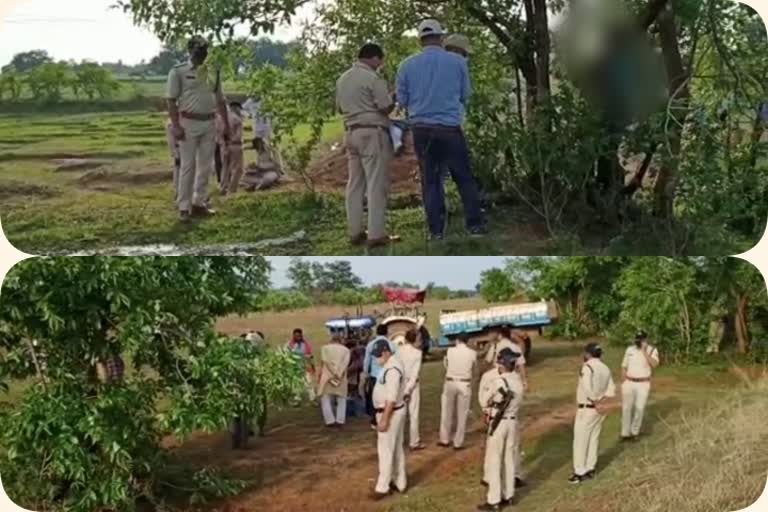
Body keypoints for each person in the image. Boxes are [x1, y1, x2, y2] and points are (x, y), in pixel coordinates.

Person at [396, 19, 486, 240]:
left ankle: (436, 230)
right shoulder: (458, 63)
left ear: (420, 39)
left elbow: (403, 100)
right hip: (449, 129)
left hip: (422, 130)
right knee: (464, 178)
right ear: (440, 37)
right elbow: (465, 95)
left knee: (431, 181)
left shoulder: (406, 65)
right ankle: (474, 226)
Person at [336, 43, 399, 248]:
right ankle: (376, 234)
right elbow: (385, 107)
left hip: (351, 131)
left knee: (355, 183)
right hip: (372, 132)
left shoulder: (343, 79)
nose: (380, 65)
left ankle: (355, 231)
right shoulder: (372, 78)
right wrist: (394, 96)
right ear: (373, 58)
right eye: (380, 61)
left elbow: (339, 108)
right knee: (375, 183)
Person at [166, 36, 229, 221]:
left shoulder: (212, 72)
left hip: (209, 122)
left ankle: (199, 202)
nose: (202, 53)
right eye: (198, 50)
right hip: (188, 123)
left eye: (204, 50)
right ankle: (184, 207)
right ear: (190, 51)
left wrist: (224, 123)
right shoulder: (179, 71)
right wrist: (176, 125)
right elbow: (171, 100)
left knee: (206, 165)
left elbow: (220, 99)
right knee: (188, 166)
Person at [478, 348, 525, 511]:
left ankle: (494, 499)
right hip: (512, 421)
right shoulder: (518, 381)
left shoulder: (498, 382)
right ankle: (509, 494)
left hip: (498, 423)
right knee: (509, 459)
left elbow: (484, 401)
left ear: (501, 363)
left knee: (494, 460)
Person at [570, 342, 616, 484]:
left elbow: (587, 388)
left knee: (580, 441)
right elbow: (612, 390)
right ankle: (591, 468)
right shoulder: (605, 368)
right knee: (593, 439)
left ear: (587, 354)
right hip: (599, 409)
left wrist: (595, 401)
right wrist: (602, 401)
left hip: (587, 407)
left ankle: (579, 472)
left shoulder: (588, 367)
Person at [370, 338, 408, 499]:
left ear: (386, 352)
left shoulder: (392, 369)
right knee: (396, 448)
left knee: (385, 450)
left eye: (379, 355)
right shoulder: (391, 365)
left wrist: (385, 419)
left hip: (390, 412)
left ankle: (383, 486)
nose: (377, 358)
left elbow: (391, 398)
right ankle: (400, 481)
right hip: (394, 411)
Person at [439, 333, 477, 449]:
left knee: (446, 411)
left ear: (457, 340)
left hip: (450, 381)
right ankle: (458, 442)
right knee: (462, 414)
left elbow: (446, 364)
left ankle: (444, 439)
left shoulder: (450, 351)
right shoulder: (472, 353)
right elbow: (474, 369)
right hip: (465, 383)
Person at [621, 330, 660, 441]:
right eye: (638, 339)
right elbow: (624, 366)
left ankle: (634, 432)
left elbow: (654, 364)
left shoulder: (652, 350)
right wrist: (623, 381)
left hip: (643, 383)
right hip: (629, 381)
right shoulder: (630, 350)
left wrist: (644, 351)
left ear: (646, 340)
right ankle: (625, 433)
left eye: (642, 339)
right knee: (626, 408)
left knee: (639, 408)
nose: (639, 341)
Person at [363, 325, 399, 427]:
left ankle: (375, 419)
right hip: (387, 374)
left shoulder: (370, 345)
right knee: (388, 397)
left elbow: (366, 361)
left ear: (376, 332)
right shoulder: (391, 344)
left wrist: (366, 373)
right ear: (387, 332)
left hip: (374, 375)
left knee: (375, 398)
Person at [400, 329, 426, 450]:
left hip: (400, 383)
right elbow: (415, 374)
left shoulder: (398, 351)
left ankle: (399, 440)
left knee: (400, 414)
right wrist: (408, 390)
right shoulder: (417, 353)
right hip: (412, 385)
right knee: (413, 414)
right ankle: (414, 441)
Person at [318, 335, 352, 427]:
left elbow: (325, 361)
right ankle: (340, 420)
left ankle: (330, 420)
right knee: (341, 398)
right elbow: (345, 363)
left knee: (325, 398)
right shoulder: (346, 350)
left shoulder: (325, 348)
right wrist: (339, 373)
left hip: (327, 376)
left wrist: (332, 372)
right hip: (341, 377)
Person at [220, 101, 246, 195]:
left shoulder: (222, 119)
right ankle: (232, 189)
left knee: (225, 168)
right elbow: (238, 136)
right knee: (237, 169)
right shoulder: (237, 120)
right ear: (236, 108)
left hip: (224, 146)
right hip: (235, 145)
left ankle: (223, 187)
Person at [286, 329, 317, 401]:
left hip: (305, 368)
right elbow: (288, 356)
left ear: (301, 336)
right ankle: (297, 398)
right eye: (296, 336)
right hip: (295, 368)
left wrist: (313, 366)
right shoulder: (290, 345)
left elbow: (310, 356)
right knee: (296, 384)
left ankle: (312, 398)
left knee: (309, 383)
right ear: (293, 336)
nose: (297, 337)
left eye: (299, 336)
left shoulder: (306, 344)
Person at [165, 118, 181, 199]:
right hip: (178, 149)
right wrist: (175, 153)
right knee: (178, 170)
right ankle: (178, 192)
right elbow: (170, 141)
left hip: (185, 148)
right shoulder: (171, 123)